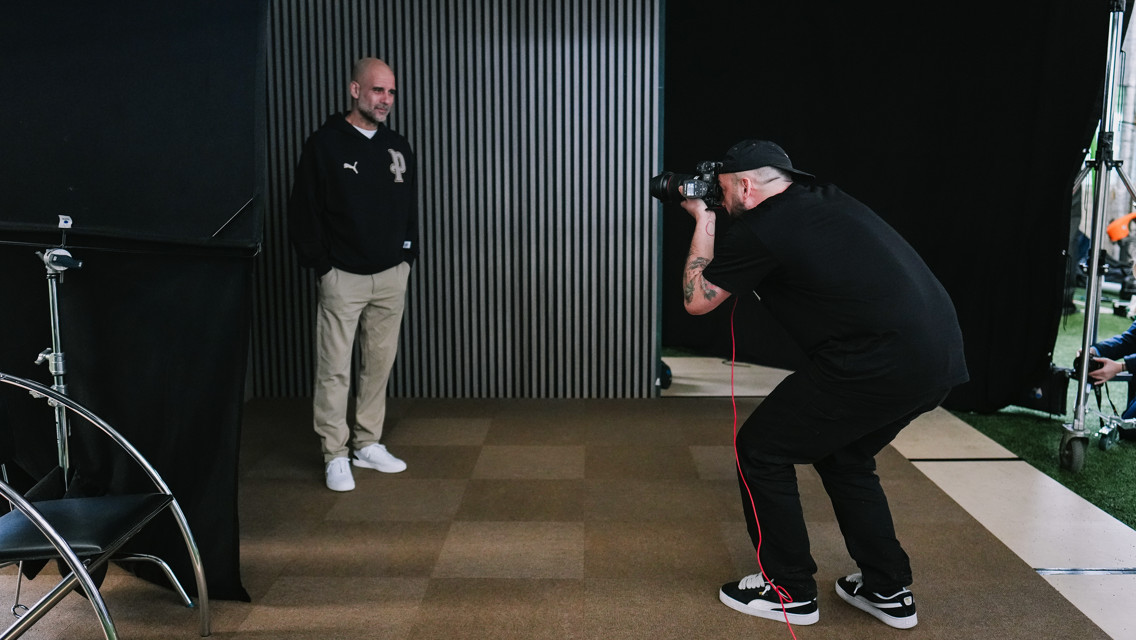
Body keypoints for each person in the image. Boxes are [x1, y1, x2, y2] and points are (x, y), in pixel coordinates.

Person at [679, 140, 968, 629]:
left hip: (876, 361)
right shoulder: (826, 200)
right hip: (938, 357)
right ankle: (887, 588)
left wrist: (702, 220)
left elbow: (698, 299)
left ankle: (787, 589)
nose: (720, 200)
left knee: (761, 448)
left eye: (723, 191)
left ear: (747, 186)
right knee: (845, 455)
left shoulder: (763, 228)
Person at [288, 57, 418, 492]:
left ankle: (367, 443)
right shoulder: (325, 144)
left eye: (391, 92)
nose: (386, 99)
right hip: (342, 275)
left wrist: (407, 257)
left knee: (377, 366)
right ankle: (335, 453)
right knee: (335, 369)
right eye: (378, 90)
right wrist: (322, 267)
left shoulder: (398, 146)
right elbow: (302, 210)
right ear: (355, 90)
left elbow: (409, 210)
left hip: (390, 276)